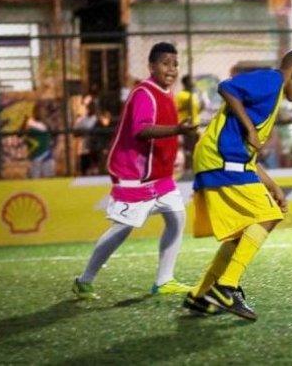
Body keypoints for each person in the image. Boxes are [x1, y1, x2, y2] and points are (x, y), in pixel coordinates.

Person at [184, 49, 292, 321]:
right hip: (220, 159)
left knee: (243, 233)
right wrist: (250, 127)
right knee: (269, 215)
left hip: (226, 160)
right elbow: (226, 87)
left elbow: (249, 156)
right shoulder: (272, 81)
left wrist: (273, 186)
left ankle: (200, 295)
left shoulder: (272, 97)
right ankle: (226, 287)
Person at [73, 42, 196, 301]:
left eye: (175, 64)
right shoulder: (144, 93)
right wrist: (177, 130)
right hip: (133, 175)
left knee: (177, 218)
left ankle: (164, 281)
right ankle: (85, 280)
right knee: (122, 229)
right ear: (151, 67)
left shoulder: (167, 92)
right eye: (165, 63)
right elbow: (141, 130)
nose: (171, 69)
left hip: (159, 178)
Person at [175, 75, 204, 174]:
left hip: (195, 125)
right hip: (186, 125)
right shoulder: (181, 95)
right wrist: (186, 105)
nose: (193, 83)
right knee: (188, 148)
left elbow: (197, 110)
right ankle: (187, 168)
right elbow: (176, 109)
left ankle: (194, 167)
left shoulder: (193, 95)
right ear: (186, 83)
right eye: (191, 81)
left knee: (196, 147)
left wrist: (202, 105)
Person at [22, 105, 55, 179]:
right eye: (39, 112)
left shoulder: (46, 125)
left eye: (42, 112)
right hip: (37, 155)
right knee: (38, 178)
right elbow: (22, 135)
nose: (41, 113)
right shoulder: (30, 125)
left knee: (46, 178)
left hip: (45, 154)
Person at [73, 102, 99, 176]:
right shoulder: (83, 119)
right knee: (85, 165)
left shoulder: (97, 119)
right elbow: (75, 130)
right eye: (89, 108)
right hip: (84, 145)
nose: (91, 110)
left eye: (93, 108)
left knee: (95, 165)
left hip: (95, 146)